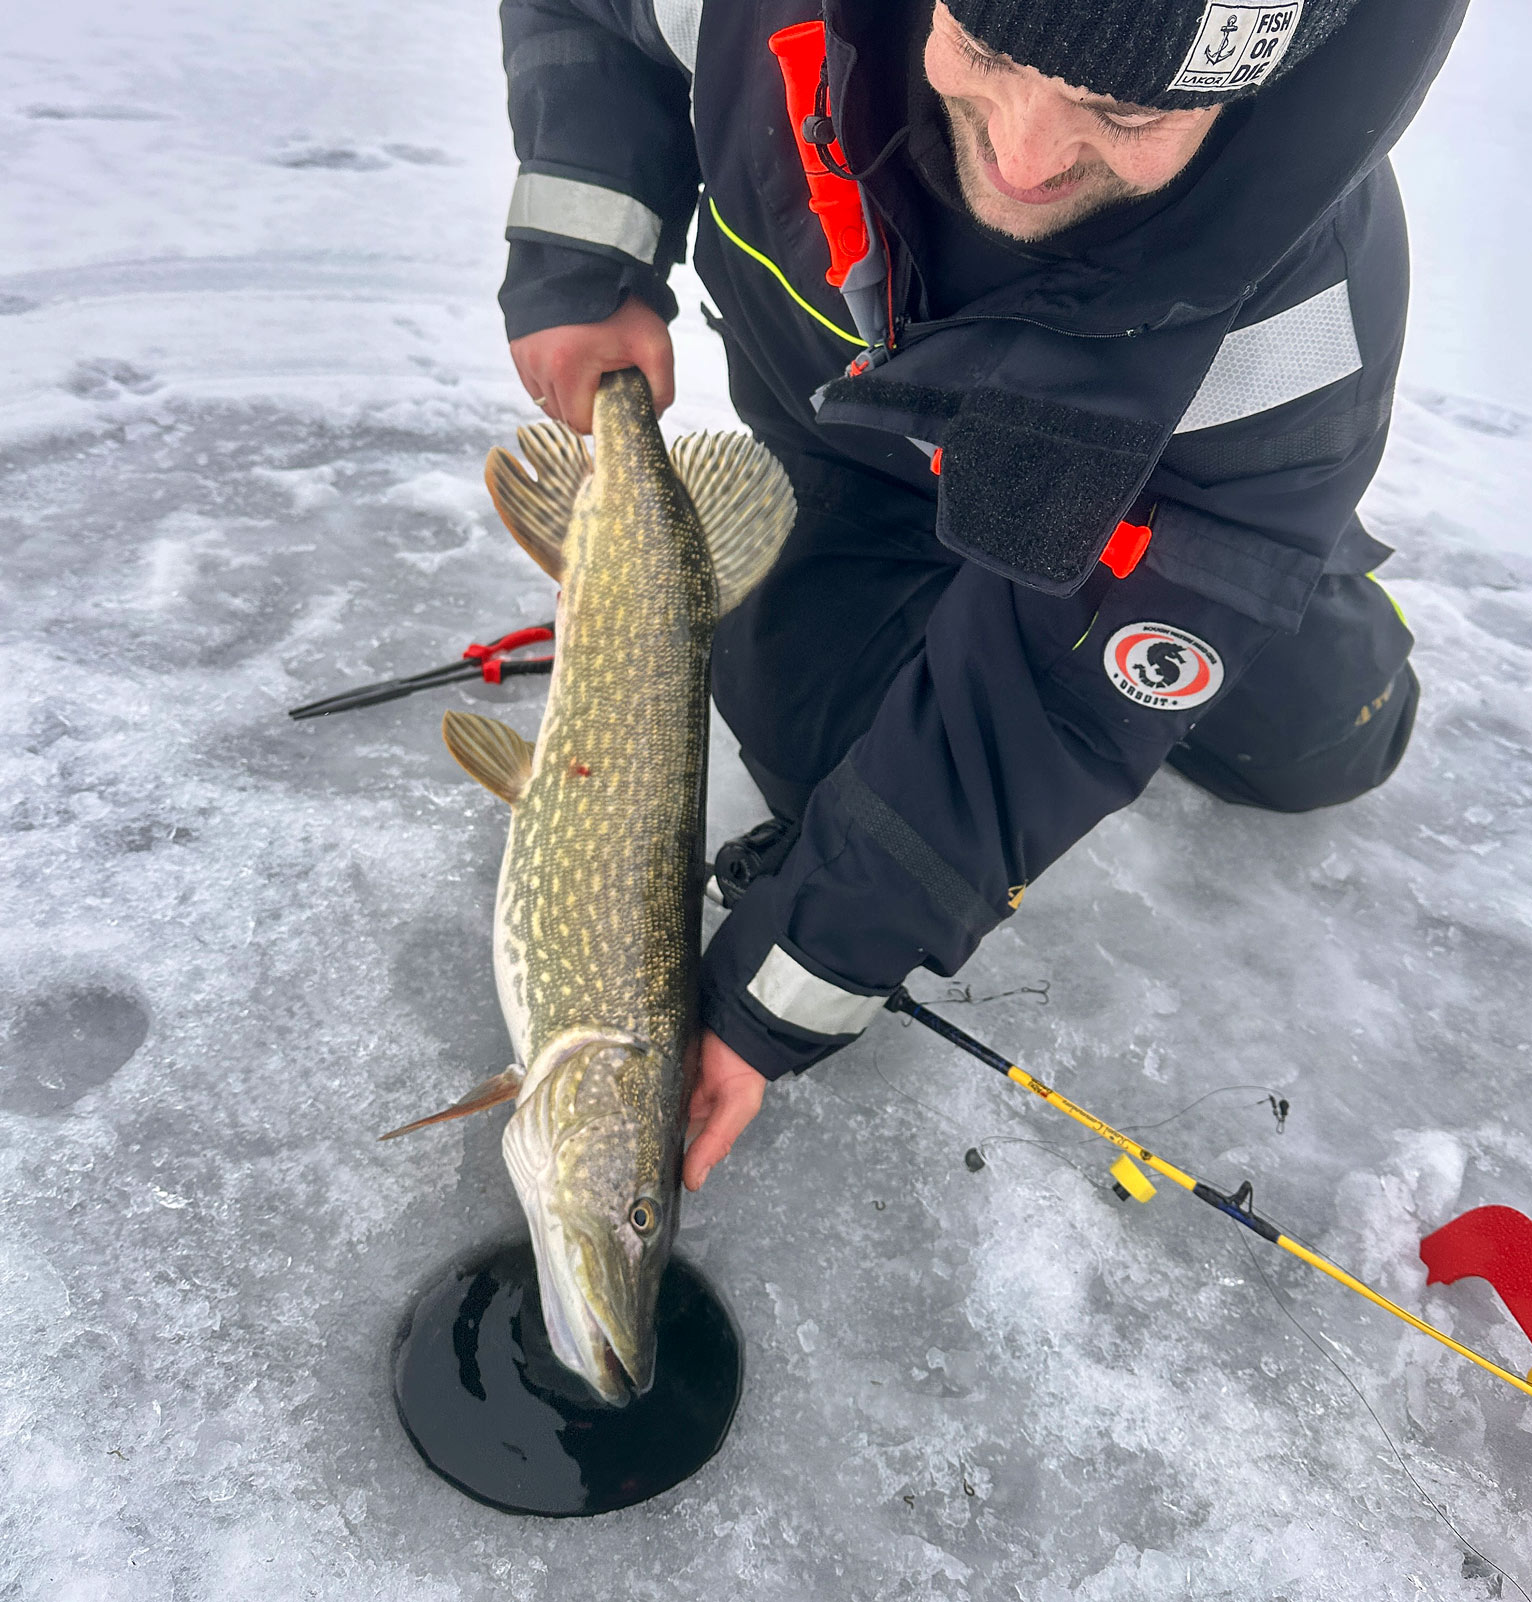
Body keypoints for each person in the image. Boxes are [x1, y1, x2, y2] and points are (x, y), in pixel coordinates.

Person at [497, 0, 1467, 1192]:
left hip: (1138, 526)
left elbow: (1049, 716)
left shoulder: (1308, 315)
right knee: (829, 765)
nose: (1021, 156)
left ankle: (1308, 612)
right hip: (852, 452)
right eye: (988, 52)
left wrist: (774, 1004)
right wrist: (580, 265)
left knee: (1319, 743)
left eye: (1124, 111)